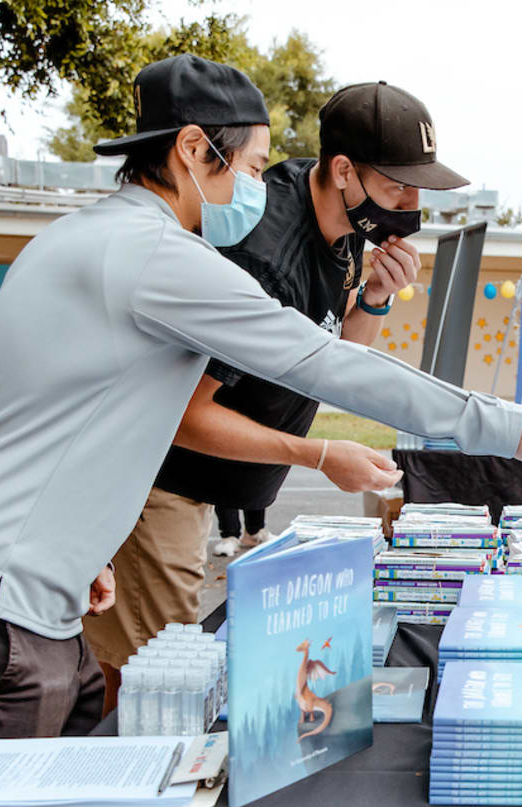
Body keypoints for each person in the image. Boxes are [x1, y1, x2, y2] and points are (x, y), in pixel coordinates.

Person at [0, 54, 522, 807]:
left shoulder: (103, 240)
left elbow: (54, 415)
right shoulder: (155, 257)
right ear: (190, 151)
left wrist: (77, 542)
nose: (257, 186)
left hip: (27, 597)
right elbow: (320, 363)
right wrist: (497, 423)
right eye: (248, 166)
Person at [84, 81, 468, 705]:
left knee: (177, 676)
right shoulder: (265, 258)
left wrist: (374, 297)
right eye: (400, 183)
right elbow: (184, 414)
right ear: (345, 171)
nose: (412, 200)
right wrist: (317, 455)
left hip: (213, 480)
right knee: (154, 687)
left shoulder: (341, 224)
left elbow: (337, 357)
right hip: (159, 477)